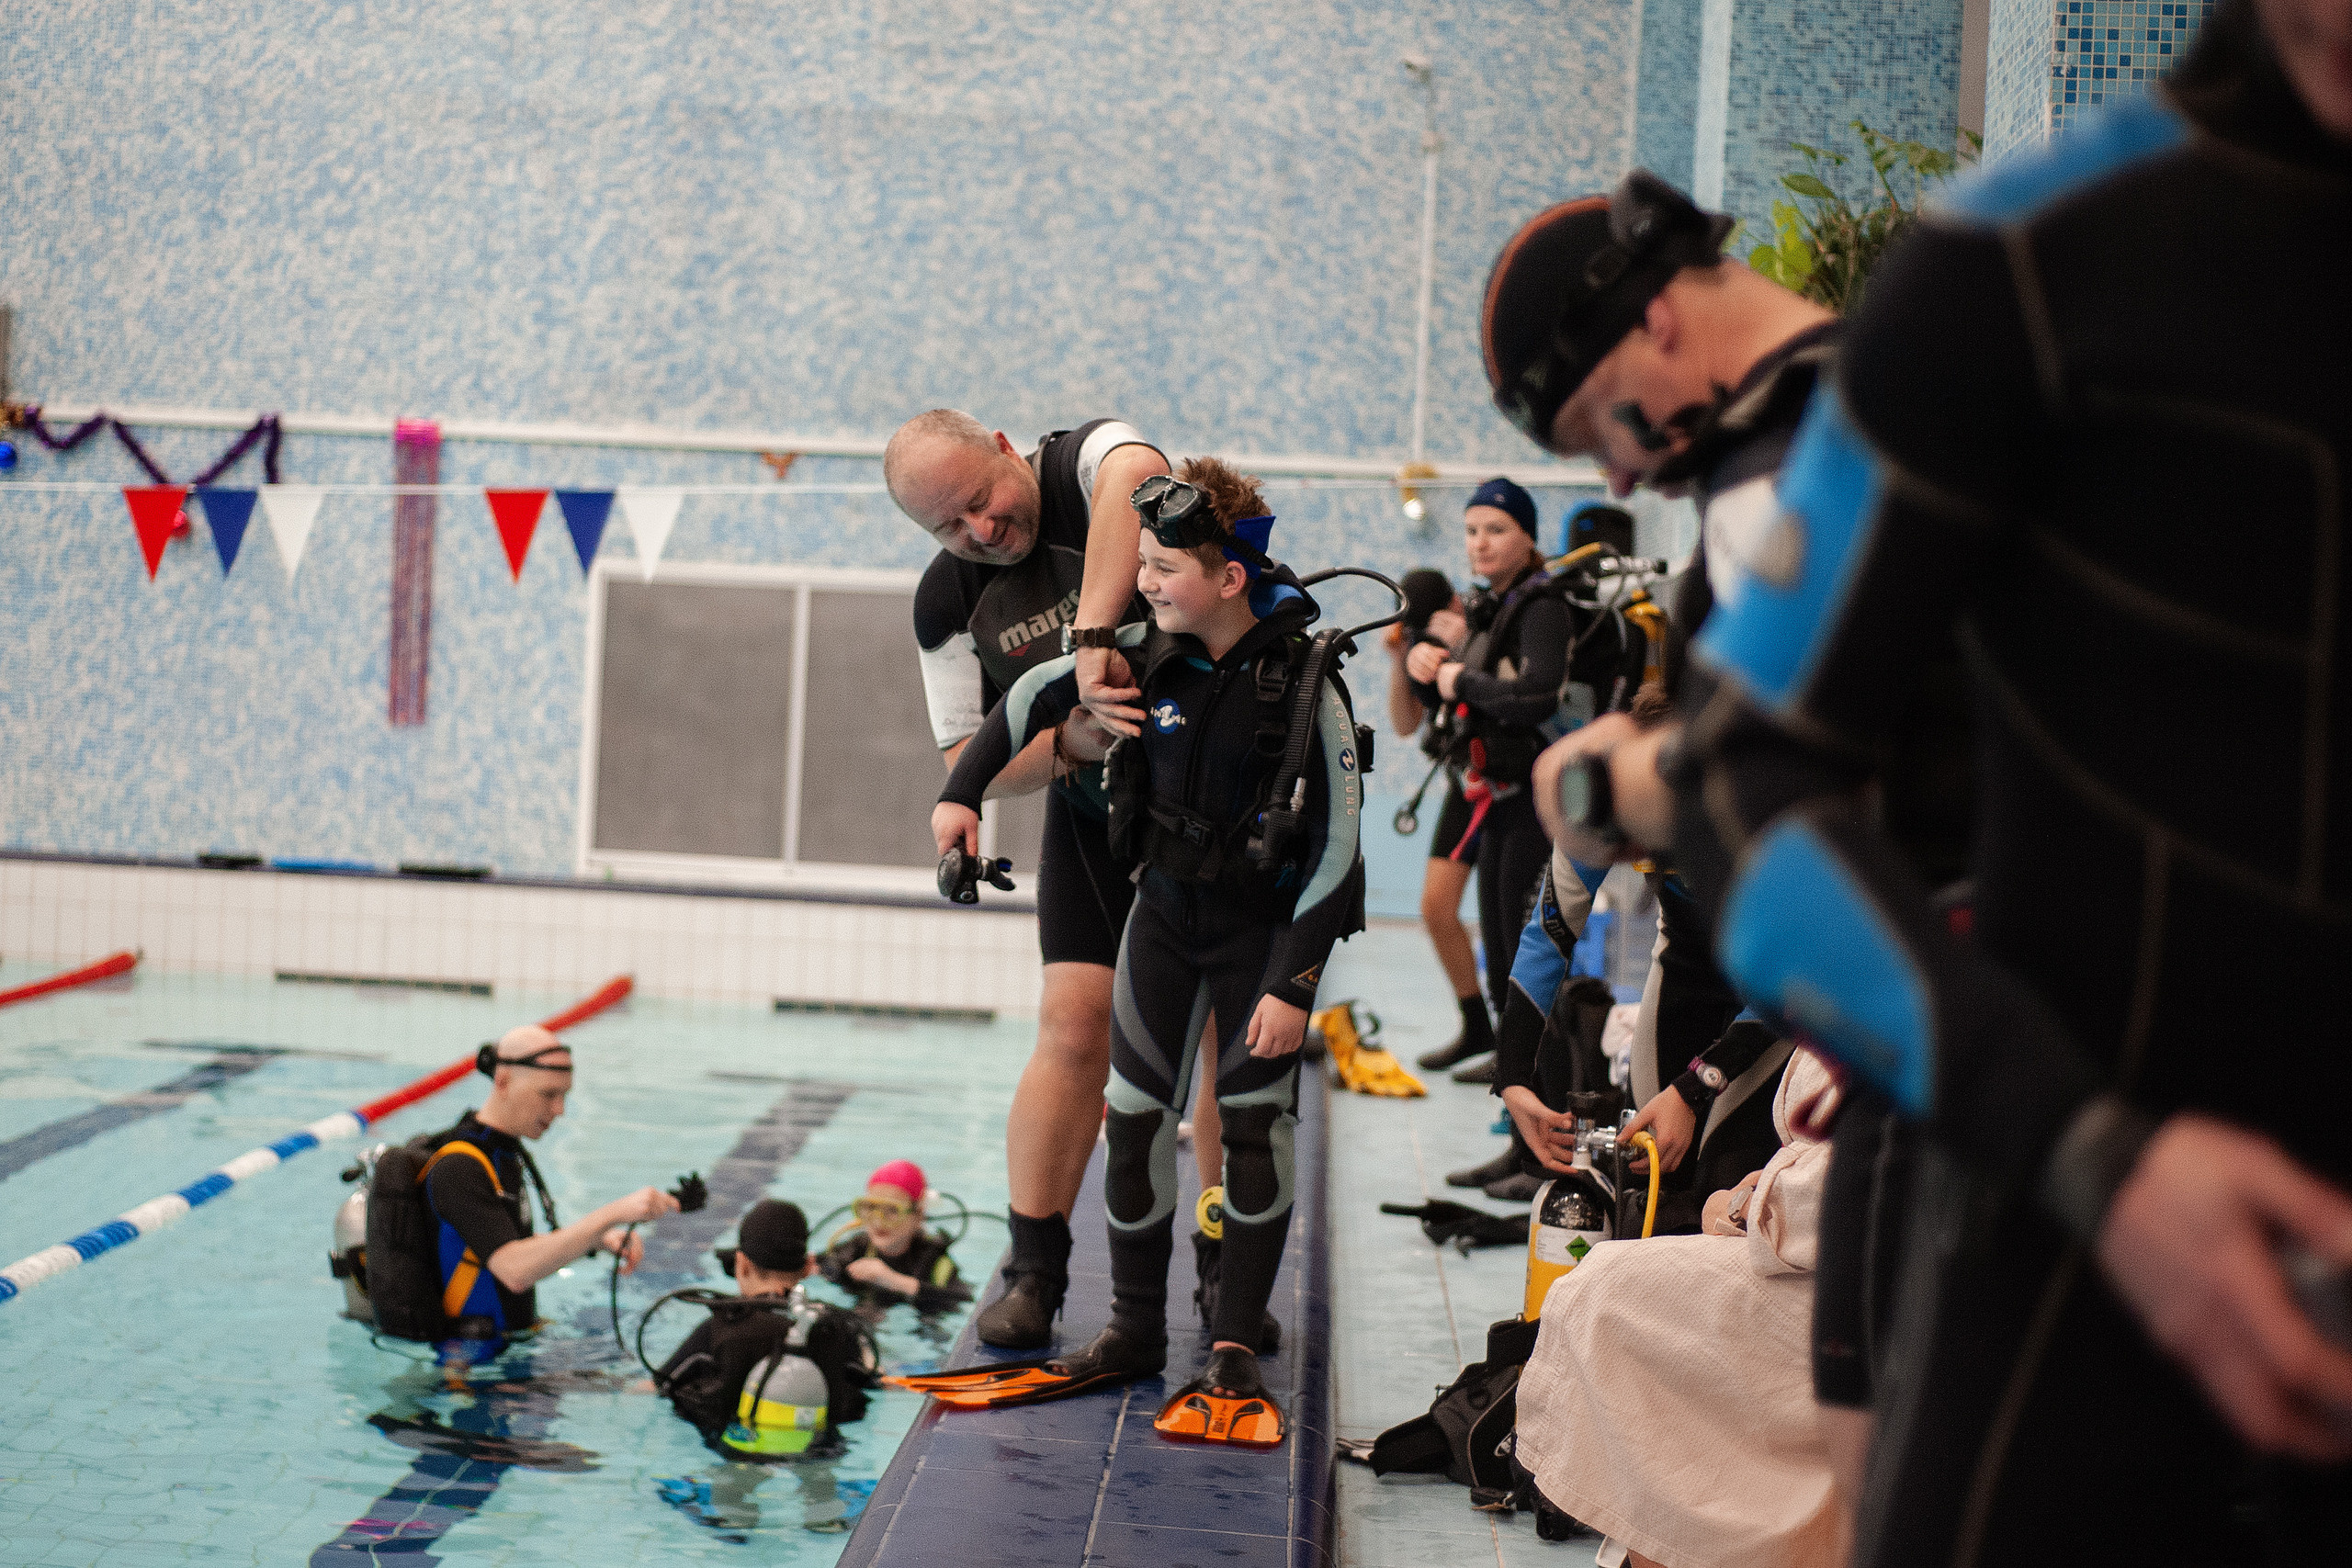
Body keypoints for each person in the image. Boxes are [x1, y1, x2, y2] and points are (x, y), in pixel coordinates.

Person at [1522, 3, 2352, 1555]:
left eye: (1598, 431)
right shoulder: (2027, 264)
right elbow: (1754, 793)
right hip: (2067, 1164)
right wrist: (2085, 1150)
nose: (1619, 471)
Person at [920, 457, 1365, 1444]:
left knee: (1254, 1128)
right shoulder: (1134, 653)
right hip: (1159, 925)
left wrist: (1295, 984)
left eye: (1162, 567)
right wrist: (959, 795)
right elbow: (1027, 698)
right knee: (1130, 1121)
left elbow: (1338, 852)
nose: (1142, 581)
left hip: (1257, 942)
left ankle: (1233, 1339)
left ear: (1229, 578)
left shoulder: (1305, 687)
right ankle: (1132, 1328)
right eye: (1144, 564)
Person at [887, 408, 1223, 1351]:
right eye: (950, 526)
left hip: (1214, 811)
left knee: (1216, 1036)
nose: (981, 530)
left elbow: (1139, 468)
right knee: (1072, 1025)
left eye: (981, 500)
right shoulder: (946, 602)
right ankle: (1034, 1272)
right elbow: (968, 758)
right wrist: (1071, 738)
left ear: (1005, 449)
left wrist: (1091, 635)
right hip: (1092, 814)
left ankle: (1223, 1268)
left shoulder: (1080, 467)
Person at [1514, 1050, 1849, 1568]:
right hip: (1819, 1243)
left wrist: (1743, 1207)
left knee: (1610, 1298)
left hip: (1849, 1282)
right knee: (1614, 1285)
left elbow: (1858, 1187)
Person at [1405, 478, 1570, 1100]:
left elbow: (1536, 695)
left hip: (1531, 800)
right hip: (1496, 795)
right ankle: (1518, 1106)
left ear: (1528, 537)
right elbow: (1446, 700)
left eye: (1496, 529)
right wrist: (1422, 666)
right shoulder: (1489, 606)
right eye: (1472, 530)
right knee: (1503, 960)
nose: (1480, 542)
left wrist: (1458, 678)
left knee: (1526, 965)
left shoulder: (1542, 606)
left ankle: (1540, 1113)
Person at [394, 1025, 680, 1345]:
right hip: (466, 1364)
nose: (559, 1110)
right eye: (548, 1095)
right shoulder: (460, 1166)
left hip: (503, 1347)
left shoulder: (502, 1154)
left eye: (564, 1095)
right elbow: (515, 1271)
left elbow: (501, 1246)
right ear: (503, 1081)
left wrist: (595, 1240)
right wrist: (612, 1214)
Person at [651, 1199, 877, 1461]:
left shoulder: (718, 1329)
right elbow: (868, 1382)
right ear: (807, 1267)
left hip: (734, 1455)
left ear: (741, 1263)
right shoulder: (835, 1328)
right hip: (817, 1452)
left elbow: (659, 1385)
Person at [1385, 568, 1492, 1074]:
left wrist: (1464, 642)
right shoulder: (1420, 645)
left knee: (1503, 923)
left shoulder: (1480, 626)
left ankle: (1514, 1043)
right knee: (1436, 908)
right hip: (1463, 786)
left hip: (1498, 784)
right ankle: (1478, 1026)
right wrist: (1399, 659)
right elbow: (1406, 724)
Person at [815, 1159, 971, 1314]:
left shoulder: (934, 1261)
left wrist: (895, 1281)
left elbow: (964, 1299)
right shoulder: (858, 1246)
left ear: (918, 1215)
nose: (878, 1221)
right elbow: (815, 1265)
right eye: (871, 1208)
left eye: (892, 1210)